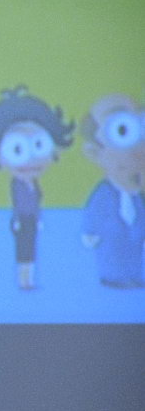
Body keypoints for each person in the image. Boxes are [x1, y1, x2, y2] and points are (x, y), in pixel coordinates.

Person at [0, 86, 74, 289]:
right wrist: (16, 220)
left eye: (39, 145)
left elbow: (36, 201)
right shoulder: (17, 185)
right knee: (23, 251)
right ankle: (24, 280)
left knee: (32, 251)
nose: (31, 160)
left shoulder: (34, 185)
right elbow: (18, 204)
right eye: (17, 149)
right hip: (22, 222)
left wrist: (38, 219)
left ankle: (28, 279)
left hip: (32, 221)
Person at [80, 94, 145, 288]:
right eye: (122, 131)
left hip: (135, 242)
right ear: (94, 152)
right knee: (114, 255)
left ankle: (133, 277)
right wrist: (90, 232)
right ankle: (114, 277)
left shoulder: (138, 197)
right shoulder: (103, 194)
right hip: (111, 241)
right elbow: (93, 214)